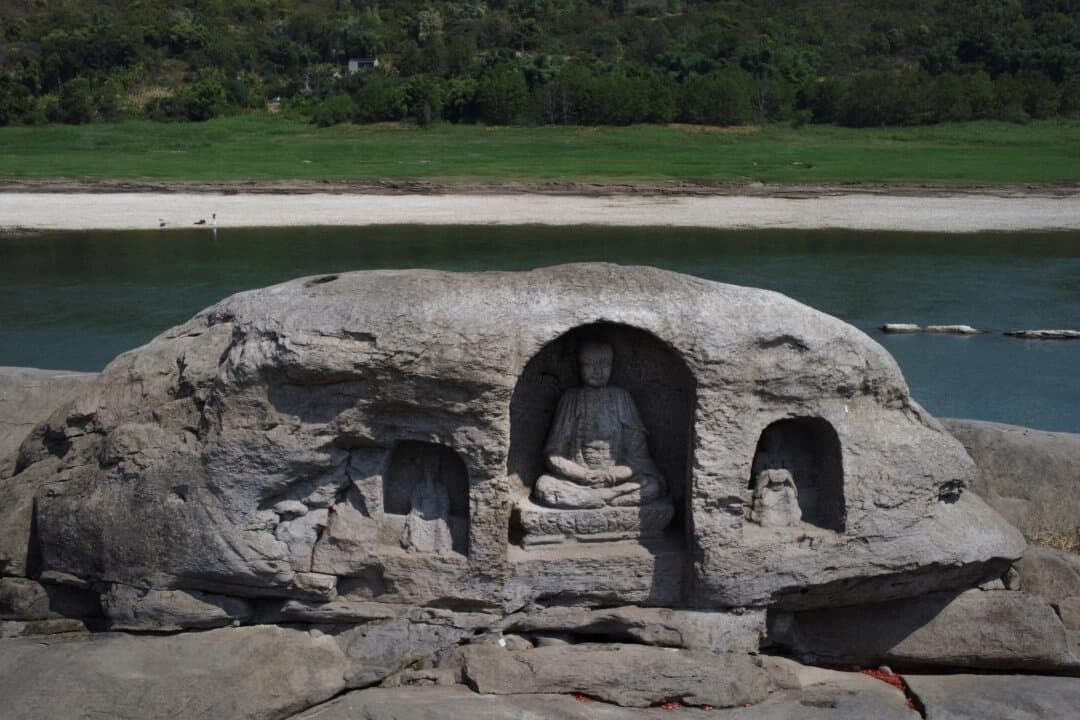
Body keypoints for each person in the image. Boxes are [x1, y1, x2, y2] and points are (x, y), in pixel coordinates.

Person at [532, 341, 667, 509]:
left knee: (652, 486)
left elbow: (639, 457)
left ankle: (596, 500)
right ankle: (608, 501)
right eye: (590, 364)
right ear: (579, 366)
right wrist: (584, 475)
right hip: (577, 481)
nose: (597, 371)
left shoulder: (622, 398)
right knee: (544, 485)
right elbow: (553, 454)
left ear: (612, 365)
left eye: (604, 364)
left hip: (617, 480)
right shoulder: (571, 398)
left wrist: (611, 475)